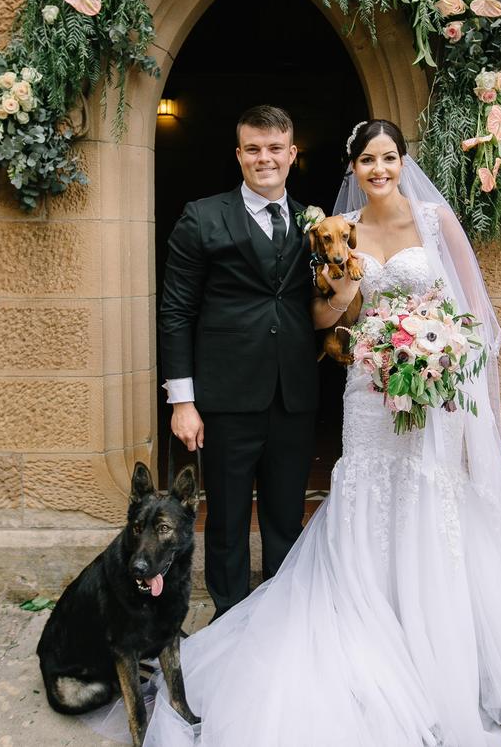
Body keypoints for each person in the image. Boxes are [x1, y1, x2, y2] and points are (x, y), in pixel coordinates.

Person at [131, 119, 501, 746]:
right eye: (367, 160)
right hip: (369, 387)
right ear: (352, 169)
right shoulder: (342, 233)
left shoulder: (434, 220)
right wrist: (344, 295)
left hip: (432, 389)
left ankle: (435, 642)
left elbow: (477, 318)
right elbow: (323, 314)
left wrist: (442, 358)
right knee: (361, 498)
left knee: (428, 500)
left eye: (388, 157)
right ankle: (352, 625)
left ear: (401, 161)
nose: (379, 169)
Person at [159, 105, 318, 620]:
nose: (264, 158)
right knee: (225, 517)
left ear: (292, 154)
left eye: (275, 148)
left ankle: (279, 614)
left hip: (293, 392)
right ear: (238, 154)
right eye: (253, 148)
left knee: (285, 515)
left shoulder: (318, 223)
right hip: (226, 396)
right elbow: (176, 310)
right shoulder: (202, 216)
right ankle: (229, 615)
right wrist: (183, 401)